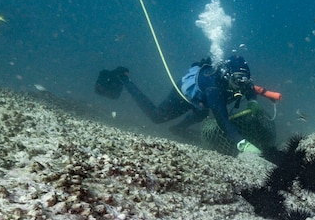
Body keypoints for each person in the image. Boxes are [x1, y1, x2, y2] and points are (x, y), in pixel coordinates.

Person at [96, 55, 279, 155]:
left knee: (200, 112)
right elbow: (223, 121)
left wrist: (253, 101)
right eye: (237, 79)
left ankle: (178, 129)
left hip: (203, 101)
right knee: (157, 117)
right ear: (228, 76)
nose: (241, 83)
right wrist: (241, 143)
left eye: (244, 79)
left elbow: (249, 89)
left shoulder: (241, 81)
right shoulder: (214, 90)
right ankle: (124, 79)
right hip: (184, 94)